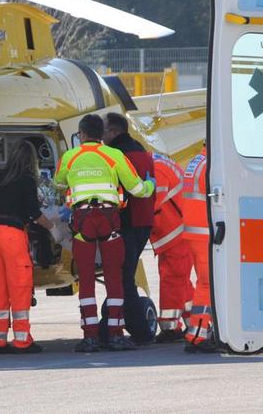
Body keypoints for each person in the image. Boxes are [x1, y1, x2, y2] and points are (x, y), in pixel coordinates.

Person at [55, 114, 155, 352]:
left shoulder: (70, 157)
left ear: (81, 134)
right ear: (101, 134)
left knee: (87, 279)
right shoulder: (114, 155)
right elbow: (137, 189)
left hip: (82, 223)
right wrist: (150, 183)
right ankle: (115, 333)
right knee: (114, 278)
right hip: (110, 222)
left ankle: (89, 336)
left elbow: (58, 184)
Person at [0, 140, 63, 355]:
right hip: (12, 235)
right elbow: (33, 212)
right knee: (20, 286)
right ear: (31, 160)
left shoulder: (0, 177)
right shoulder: (26, 179)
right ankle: (22, 340)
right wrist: (53, 228)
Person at [103, 112, 156, 340]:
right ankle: (110, 323)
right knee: (124, 276)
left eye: (104, 131)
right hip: (143, 222)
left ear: (114, 132)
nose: (101, 136)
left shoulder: (118, 155)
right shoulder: (141, 151)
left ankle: (139, 331)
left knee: (124, 279)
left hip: (127, 223)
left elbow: (124, 190)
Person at [151, 152, 195, 342]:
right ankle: (195, 320)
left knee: (173, 279)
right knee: (181, 280)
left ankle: (170, 327)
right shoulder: (160, 163)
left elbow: (151, 204)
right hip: (179, 231)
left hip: (174, 233)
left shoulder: (156, 169)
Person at [181, 144, 216, 353]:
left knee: (204, 282)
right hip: (204, 233)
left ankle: (199, 332)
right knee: (207, 284)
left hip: (195, 233)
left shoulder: (197, 161)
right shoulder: (210, 165)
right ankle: (197, 336)